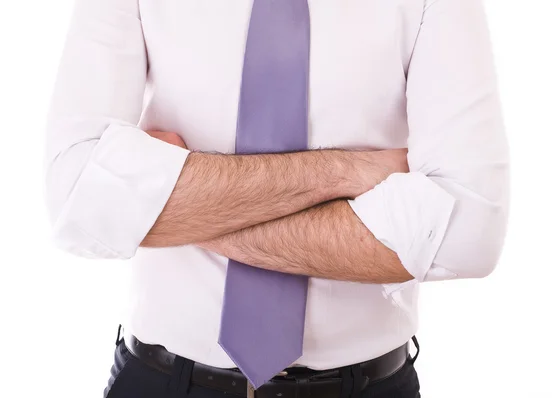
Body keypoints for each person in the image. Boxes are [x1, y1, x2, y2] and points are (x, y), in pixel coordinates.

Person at [44, 0, 509, 396]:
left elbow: (468, 232)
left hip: (366, 386)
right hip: (161, 379)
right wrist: (346, 171)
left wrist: (170, 198)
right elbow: (77, 197)